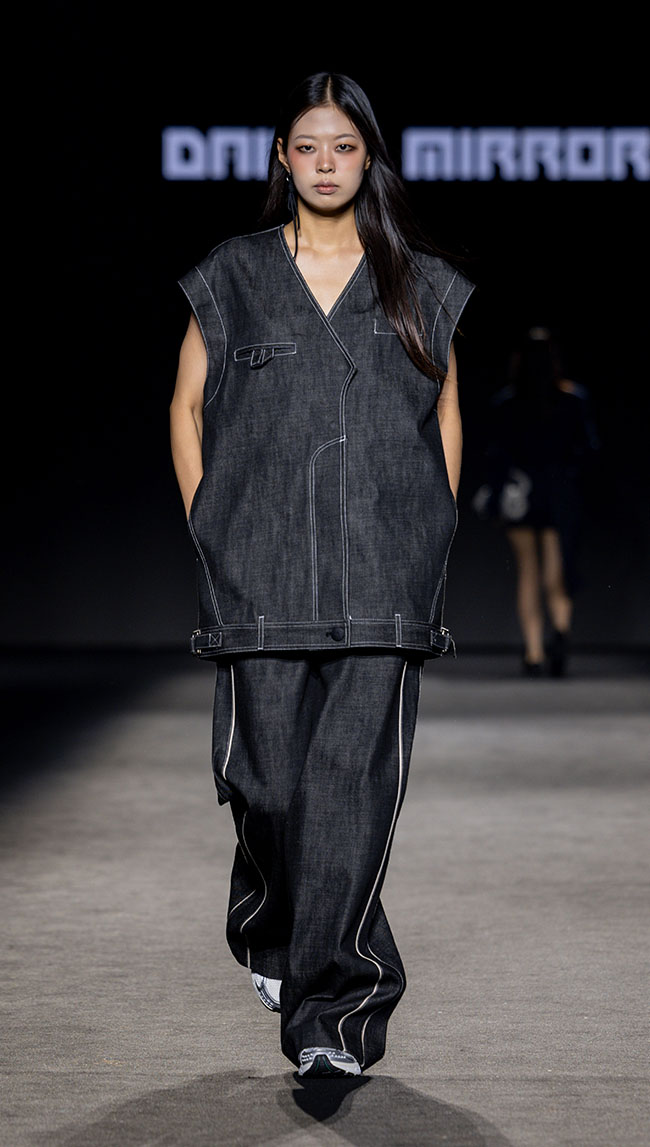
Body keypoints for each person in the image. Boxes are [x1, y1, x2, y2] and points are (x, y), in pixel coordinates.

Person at [169, 73, 473, 1078]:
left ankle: (332, 1017)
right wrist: (209, 523)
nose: (327, 163)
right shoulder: (234, 272)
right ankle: (272, 923)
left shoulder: (418, 282)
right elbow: (186, 404)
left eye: (344, 145)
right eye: (309, 145)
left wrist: (429, 530)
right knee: (262, 784)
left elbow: (444, 411)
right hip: (256, 566)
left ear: (368, 157)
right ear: (282, 157)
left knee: (348, 793)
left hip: (383, 567)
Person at [472, 327, 599, 676]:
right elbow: (588, 450)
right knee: (557, 568)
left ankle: (533, 651)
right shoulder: (572, 400)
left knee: (528, 571)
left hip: (522, 493)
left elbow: (496, 456)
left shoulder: (507, 403)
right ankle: (560, 631)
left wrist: (496, 498)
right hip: (558, 493)